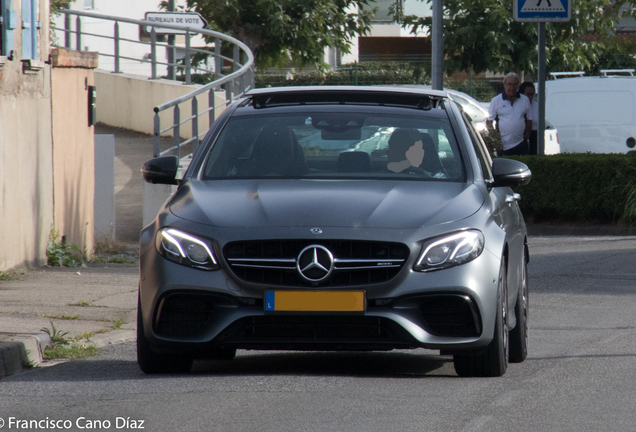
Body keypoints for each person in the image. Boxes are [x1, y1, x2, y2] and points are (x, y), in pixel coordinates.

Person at [487, 72, 532, 156]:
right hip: (503, 146)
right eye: (509, 84)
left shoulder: (525, 100)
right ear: (504, 85)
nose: (512, 87)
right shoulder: (496, 101)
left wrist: (526, 138)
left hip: (521, 144)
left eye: (515, 84)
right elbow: (489, 122)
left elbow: (529, 120)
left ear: (518, 85)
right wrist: (496, 141)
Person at [519, 81, 539, 155]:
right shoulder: (519, 106)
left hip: (534, 135)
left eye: (532, 94)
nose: (530, 96)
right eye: (528, 94)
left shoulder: (537, 106)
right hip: (521, 135)